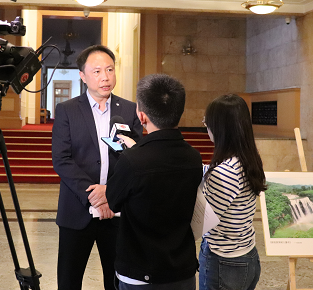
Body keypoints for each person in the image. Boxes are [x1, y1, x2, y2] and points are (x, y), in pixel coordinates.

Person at [51, 45, 143, 290]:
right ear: (83, 76)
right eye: (97, 71)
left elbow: (135, 160)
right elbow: (61, 159)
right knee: (69, 281)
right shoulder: (67, 110)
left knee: (116, 282)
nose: (105, 77)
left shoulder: (129, 110)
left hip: (117, 213)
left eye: (110, 70)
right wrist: (94, 195)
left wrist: (110, 192)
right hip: (77, 210)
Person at [106, 74, 203, 290]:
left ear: (141, 116)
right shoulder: (194, 157)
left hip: (140, 272)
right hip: (182, 271)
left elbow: (112, 201)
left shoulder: (132, 161)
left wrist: (129, 155)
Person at [199, 94, 267, 290]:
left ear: (220, 128)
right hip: (247, 253)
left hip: (224, 262)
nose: (206, 127)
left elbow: (203, 222)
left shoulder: (224, 172)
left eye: (207, 122)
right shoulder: (247, 158)